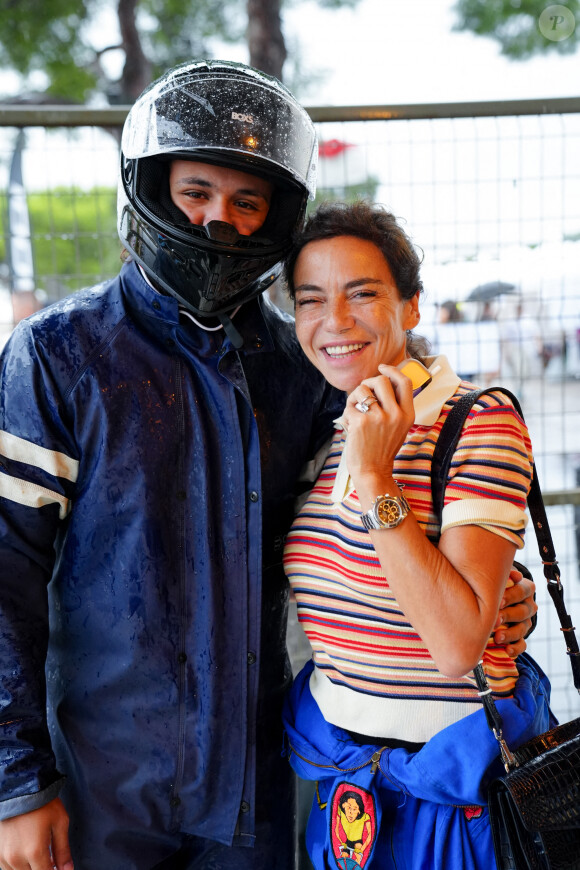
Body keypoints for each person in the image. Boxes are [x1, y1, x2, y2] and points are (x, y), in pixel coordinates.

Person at [0, 64, 534, 870]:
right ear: (150, 185)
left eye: (247, 202)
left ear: (275, 217)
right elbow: (4, 571)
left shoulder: (297, 367)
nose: (219, 219)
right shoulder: (60, 354)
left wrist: (499, 586)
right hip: (103, 780)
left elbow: (397, 502)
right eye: (196, 190)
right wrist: (16, 785)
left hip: (263, 780)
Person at [281, 201, 551, 870]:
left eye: (362, 294)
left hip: (451, 801)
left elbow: (458, 643)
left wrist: (376, 476)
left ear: (411, 308)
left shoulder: (477, 422)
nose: (334, 321)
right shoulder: (330, 426)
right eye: (310, 300)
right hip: (346, 796)